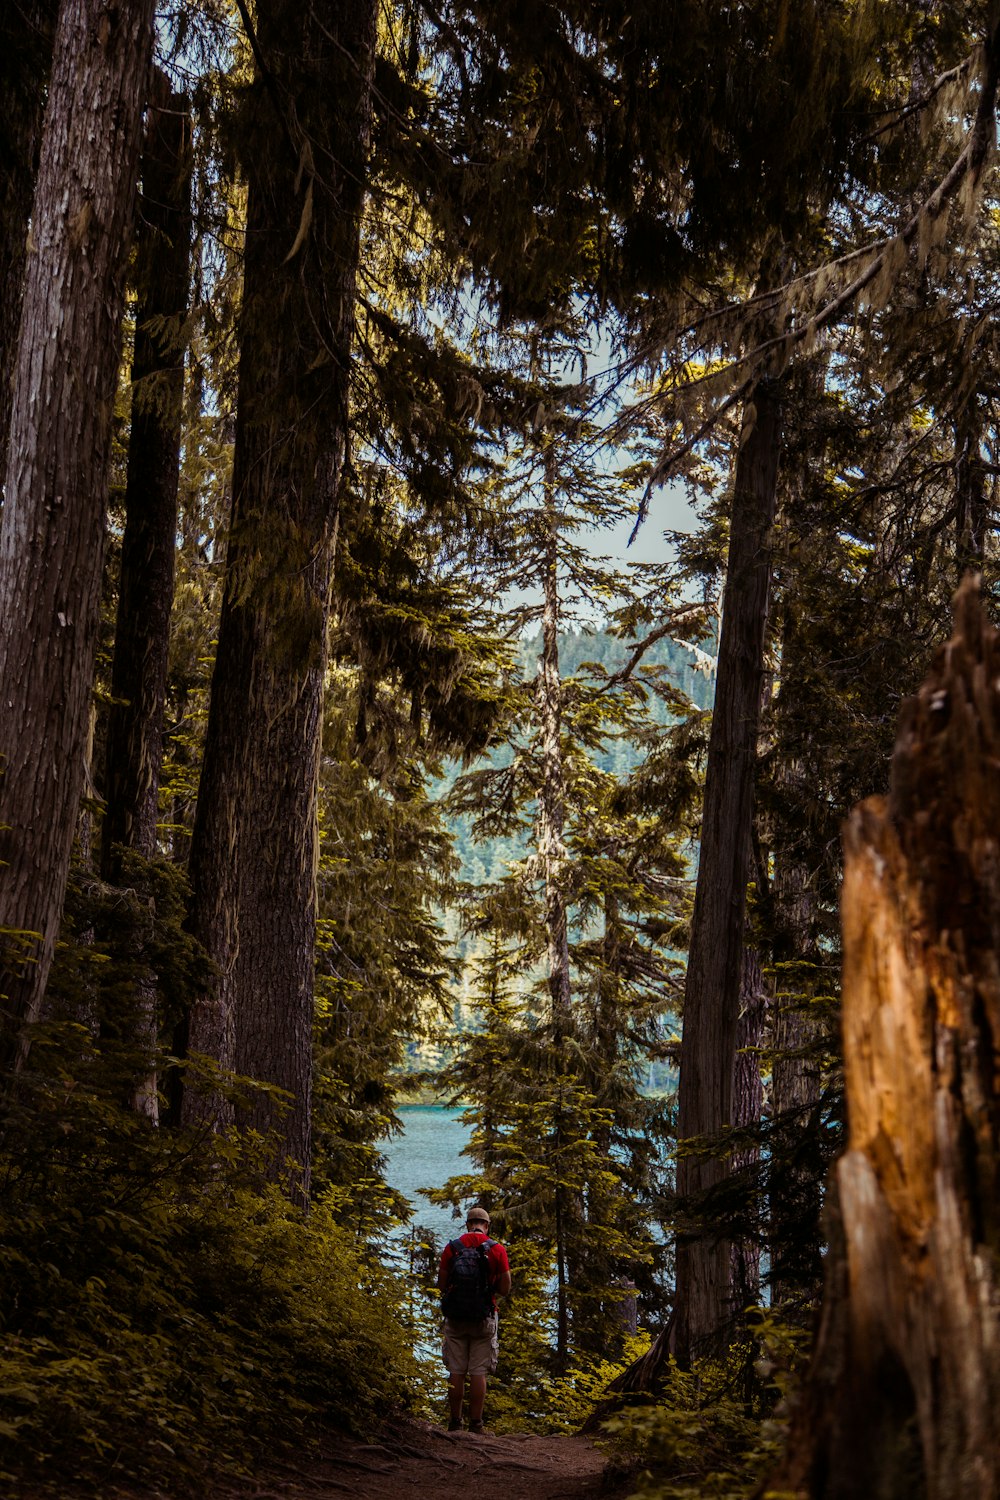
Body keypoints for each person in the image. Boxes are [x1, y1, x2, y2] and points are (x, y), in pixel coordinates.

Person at [438, 1204, 511, 1433]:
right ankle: (476, 1424)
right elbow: (505, 1288)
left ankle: (454, 1422)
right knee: (478, 1372)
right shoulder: (497, 1249)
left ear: (468, 1224)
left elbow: (441, 1284)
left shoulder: (453, 1248)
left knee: (456, 1371)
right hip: (483, 1318)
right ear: (486, 1226)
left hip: (456, 1317)